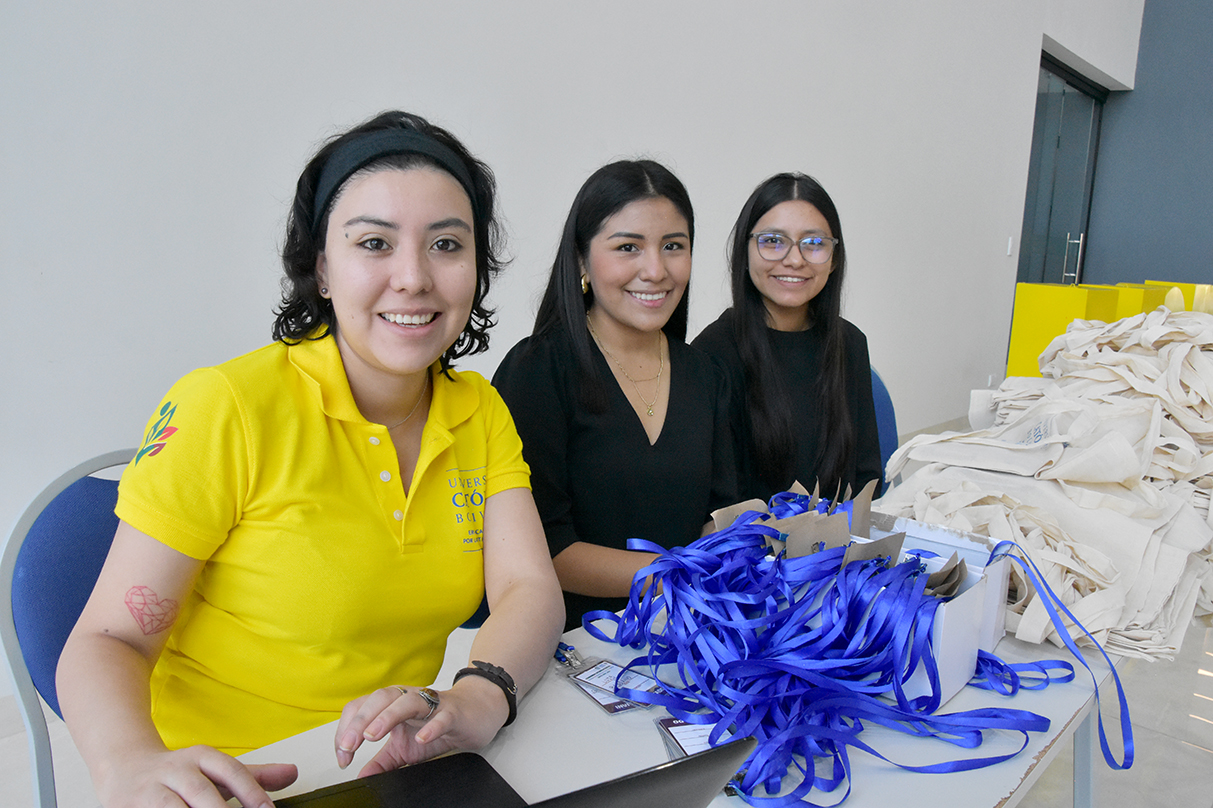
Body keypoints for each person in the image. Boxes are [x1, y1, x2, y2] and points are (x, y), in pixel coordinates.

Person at [56, 111, 564, 808]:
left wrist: (479, 696)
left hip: (397, 772)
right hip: (230, 782)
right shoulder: (227, 407)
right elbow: (109, 637)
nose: (413, 277)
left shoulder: (479, 410)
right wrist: (130, 766)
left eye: (446, 244)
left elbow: (528, 588)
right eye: (374, 243)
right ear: (322, 268)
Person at [492, 160, 737, 633]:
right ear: (582, 260)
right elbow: (541, 547)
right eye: (628, 247)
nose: (656, 270)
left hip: (692, 629)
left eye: (673, 246)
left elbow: (719, 512)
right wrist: (676, 577)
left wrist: (728, 556)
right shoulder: (536, 370)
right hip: (574, 640)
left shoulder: (706, 372)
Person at [692, 172, 881, 504]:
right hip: (749, 537)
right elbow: (716, 501)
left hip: (842, 534)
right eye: (772, 241)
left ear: (834, 259)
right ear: (745, 251)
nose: (794, 260)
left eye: (814, 244)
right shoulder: (711, 354)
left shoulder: (850, 343)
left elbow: (868, 480)